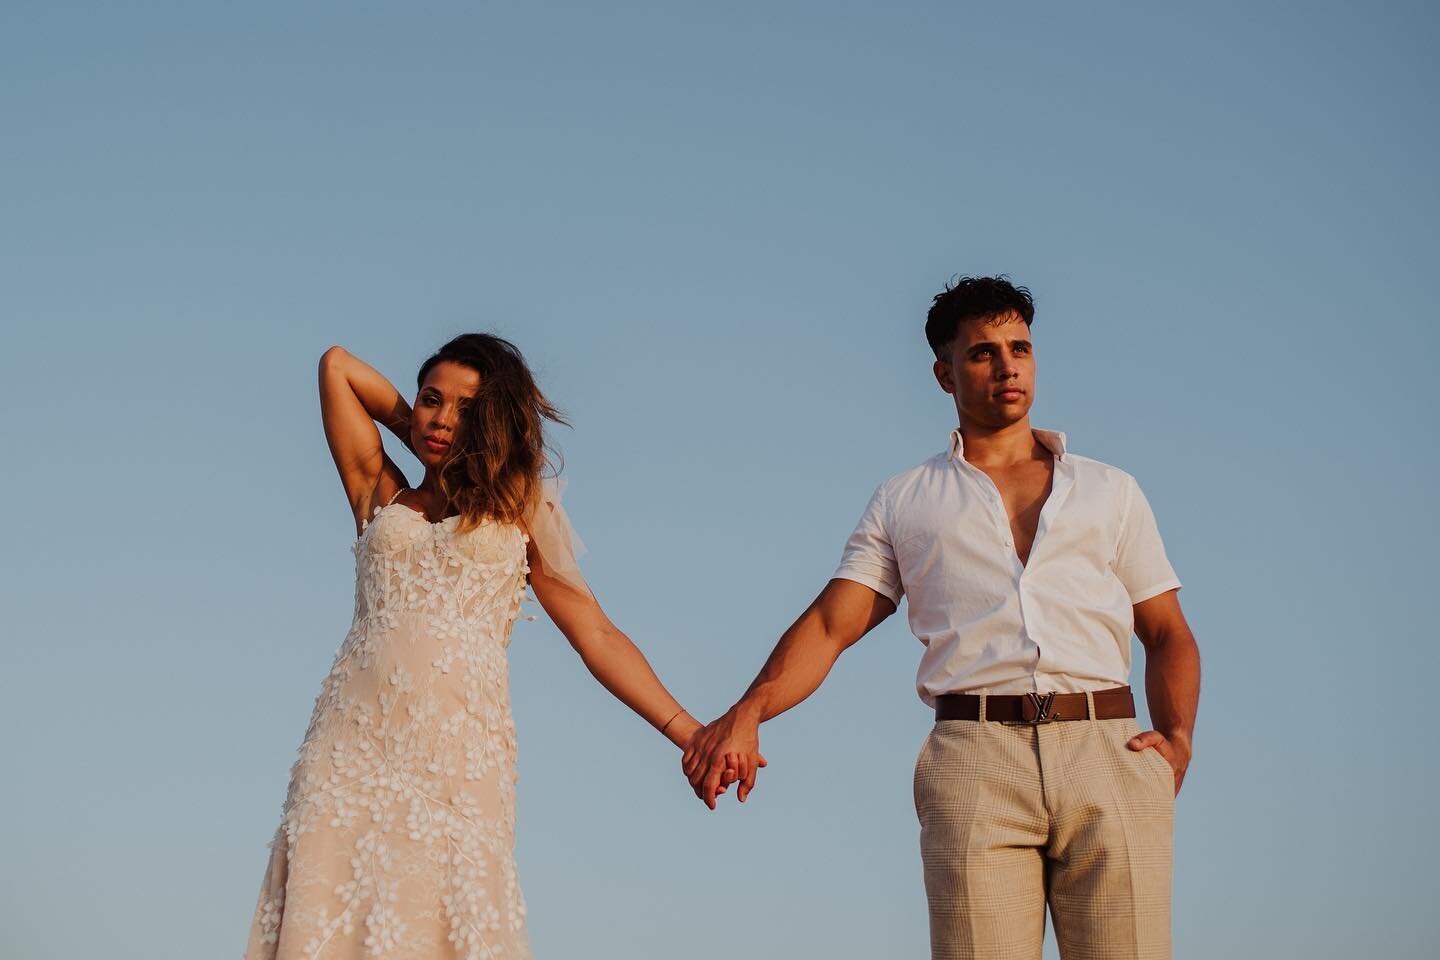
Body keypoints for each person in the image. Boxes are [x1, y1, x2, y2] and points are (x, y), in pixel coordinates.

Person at [683, 276, 1200, 960]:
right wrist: (750, 708)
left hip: (1108, 749)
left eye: (1021, 347)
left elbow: (1167, 633)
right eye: (984, 352)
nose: (1008, 364)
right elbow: (831, 626)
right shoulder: (906, 500)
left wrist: (1179, 739)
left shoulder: (1111, 490)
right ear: (944, 373)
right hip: (975, 758)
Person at [245, 334, 705, 960]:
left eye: (468, 409)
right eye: (432, 400)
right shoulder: (381, 492)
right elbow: (337, 367)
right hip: (346, 757)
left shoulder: (520, 511)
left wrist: (688, 732)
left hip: (456, 766)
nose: (442, 417)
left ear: (494, 424)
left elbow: (595, 633)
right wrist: (422, 430)